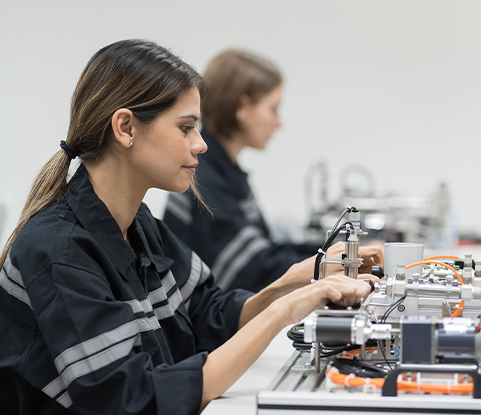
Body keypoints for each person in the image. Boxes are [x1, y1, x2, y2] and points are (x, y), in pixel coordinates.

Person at [0, 39, 381, 415]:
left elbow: (206, 315)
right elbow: (132, 399)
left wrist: (294, 282)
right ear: (126, 128)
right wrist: (282, 310)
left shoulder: (139, 225)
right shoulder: (59, 248)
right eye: (186, 128)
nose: (200, 144)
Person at [163, 49, 382, 293]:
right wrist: (335, 262)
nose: (279, 123)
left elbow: (267, 250)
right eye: (273, 109)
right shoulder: (204, 176)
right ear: (243, 107)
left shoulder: (226, 171)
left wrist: (338, 251)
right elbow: (253, 270)